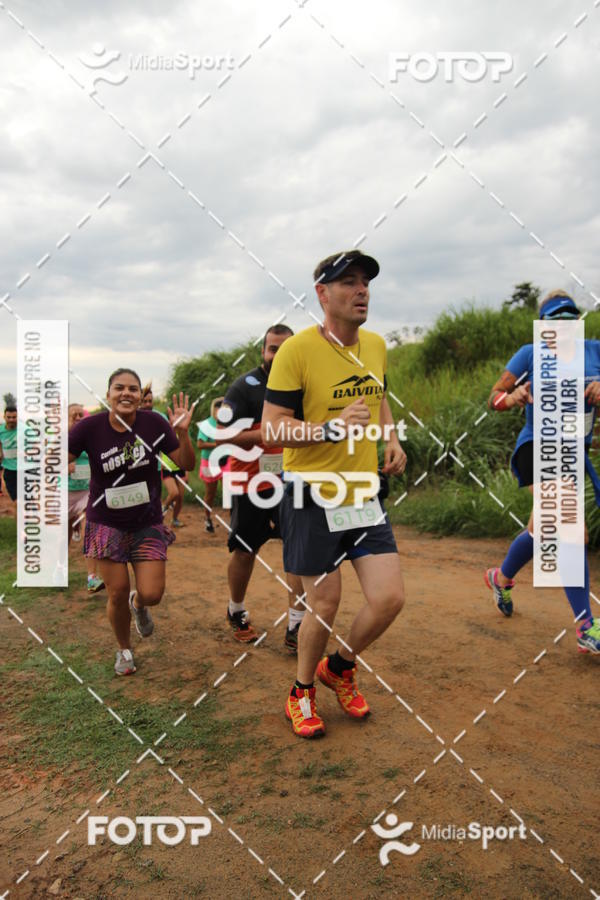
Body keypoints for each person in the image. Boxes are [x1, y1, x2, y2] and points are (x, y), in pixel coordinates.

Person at [262, 250, 407, 738]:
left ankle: (340, 668)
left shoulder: (377, 346)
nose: (362, 290)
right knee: (324, 604)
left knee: (388, 599)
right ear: (322, 294)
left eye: (365, 281)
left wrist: (390, 437)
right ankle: (301, 691)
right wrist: (329, 430)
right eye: (348, 282)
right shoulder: (297, 351)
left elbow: (378, 396)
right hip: (310, 494)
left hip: (362, 492)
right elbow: (273, 430)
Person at [485, 290, 600, 653]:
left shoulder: (594, 351)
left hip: (572, 454)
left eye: (570, 320)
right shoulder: (530, 354)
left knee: (543, 529)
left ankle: (500, 578)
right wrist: (514, 397)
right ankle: (586, 626)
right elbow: (495, 399)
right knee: (570, 530)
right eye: (555, 323)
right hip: (536, 447)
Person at [68, 368, 195, 675]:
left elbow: (185, 464)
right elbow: (62, 459)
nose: (126, 393)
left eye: (133, 389)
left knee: (152, 594)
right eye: (119, 388)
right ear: (108, 394)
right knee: (117, 591)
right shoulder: (89, 427)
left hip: (146, 522)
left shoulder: (154, 424)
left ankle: (140, 606)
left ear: (140, 396)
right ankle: (124, 650)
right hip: (106, 523)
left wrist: (182, 432)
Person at [219, 325, 306, 652]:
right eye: (273, 348)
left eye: (286, 348)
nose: (279, 354)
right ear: (263, 351)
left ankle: (296, 623)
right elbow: (223, 436)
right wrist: (268, 434)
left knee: (299, 551)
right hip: (250, 483)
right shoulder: (243, 387)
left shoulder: (303, 385)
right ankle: (236, 609)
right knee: (245, 550)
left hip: (293, 482)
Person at [67, 403, 104, 592]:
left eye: (81, 414)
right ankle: (59, 568)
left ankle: (92, 577)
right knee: (63, 535)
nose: (78, 417)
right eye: (73, 415)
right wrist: (63, 467)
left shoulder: (90, 437)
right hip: (65, 492)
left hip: (87, 492)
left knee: (92, 526)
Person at [140, 382, 188, 528]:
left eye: (150, 401)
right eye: (144, 401)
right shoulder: (132, 419)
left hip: (165, 463)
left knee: (179, 496)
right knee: (171, 494)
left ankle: (171, 519)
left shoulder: (160, 417)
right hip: (147, 467)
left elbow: (171, 440)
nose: (148, 404)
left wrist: (180, 430)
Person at [196, 396, 227, 533]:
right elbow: (200, 444)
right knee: (210, 493)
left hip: (225, 460)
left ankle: (233, 524)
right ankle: (207, 519)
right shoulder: (207, 424)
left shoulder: (227, 423)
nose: (220, 410)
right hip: (209, 462)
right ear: (213, 410)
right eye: (217, 407)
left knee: (230, 491)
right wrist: (217, 444)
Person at [0, 403, 19, 514]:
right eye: (9, 417)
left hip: (26, 470)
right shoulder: (1, 430)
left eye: (14, 417)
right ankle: (21, 529)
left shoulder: (24, 429)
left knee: (29, 502)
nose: (12, 420)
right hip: (10, 471)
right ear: (4, 417)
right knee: (18, 502)